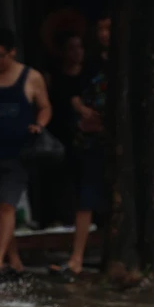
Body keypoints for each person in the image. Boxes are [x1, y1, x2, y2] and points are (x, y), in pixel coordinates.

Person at [0, 29, 51, 275]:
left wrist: (40, 125)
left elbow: (45, 107)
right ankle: (13, 259)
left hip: (17, 154)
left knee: (7, 206)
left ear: (12, 52)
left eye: (0, 55)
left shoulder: (31, 77)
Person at [57, 47, 105, 277]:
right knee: (85, 200)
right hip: (87, 143)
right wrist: (82, 111)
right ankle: (76, 258)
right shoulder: (90, 67)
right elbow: (74, 95)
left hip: (111, 143)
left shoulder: (122, 67)